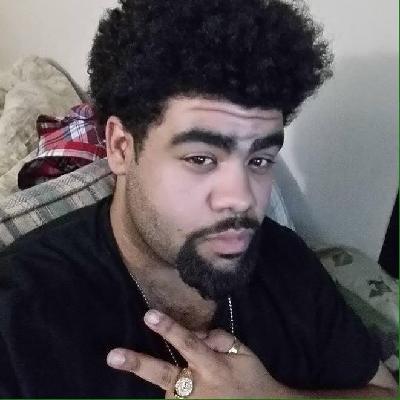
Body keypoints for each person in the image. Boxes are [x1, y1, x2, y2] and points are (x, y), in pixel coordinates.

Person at [0, 0, 397, 397]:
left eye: (259, 160)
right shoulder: (20, 313)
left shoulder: (283, 258)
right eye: (201, 159)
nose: (241, 199)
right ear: (120, 147)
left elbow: (383, 390)